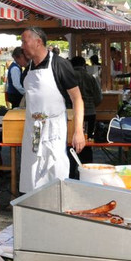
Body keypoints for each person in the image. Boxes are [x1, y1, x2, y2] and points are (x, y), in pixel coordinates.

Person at [18, 27, 85, 194]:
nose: (22, 46)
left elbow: (77, 99)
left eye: (24, 42)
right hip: (34, 129)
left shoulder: (60, 65)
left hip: (54, 127)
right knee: (33, 168)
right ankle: (34, 202)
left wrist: (78, 131)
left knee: (55, 168)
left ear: (38, 41)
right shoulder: (28, 69)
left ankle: (57, 201)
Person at [70, 56, 101, 143]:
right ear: (84, 65)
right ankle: (87, 151)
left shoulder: (69, 77)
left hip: (72, 113)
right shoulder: (91, 77)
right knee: (88, 139)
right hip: (90, 111)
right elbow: (98, 97)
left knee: (72, 140)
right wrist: (92, 105)